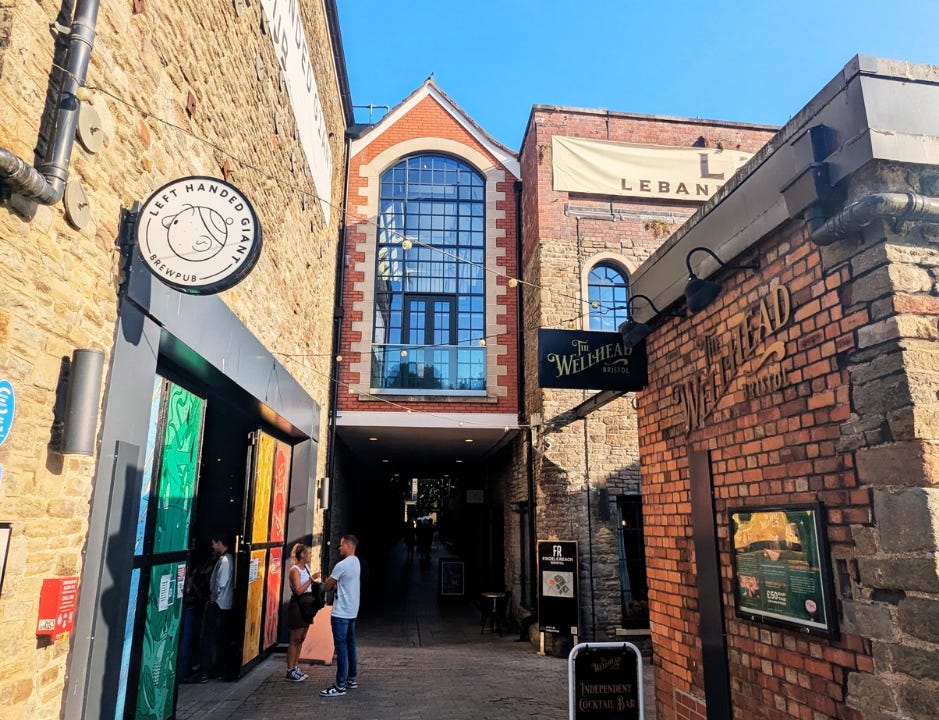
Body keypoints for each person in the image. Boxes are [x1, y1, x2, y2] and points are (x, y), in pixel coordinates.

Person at [319, 534, 361, 698]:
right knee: (351, 644)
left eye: (342, 545)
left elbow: (327, 586)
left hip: (341, 612)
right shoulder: (356, 562)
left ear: (349, 546)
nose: (339, 548)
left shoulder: (341, 565)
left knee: (341, 647)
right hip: (352, 611)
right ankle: (352, 678)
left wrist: (326, 584)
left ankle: (340, 685)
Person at [192, 534, 233, 683]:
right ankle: (213, 668)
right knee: (216, 638)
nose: (212, 547)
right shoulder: (227, 559)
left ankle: (205, 670)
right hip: (223, 603)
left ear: (220, 543)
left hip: (218, 603)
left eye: (214, 544)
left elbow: (220, 584)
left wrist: (212, 596)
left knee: (209, 637)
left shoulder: (224, 561)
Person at [285, 542, 322, 682]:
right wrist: (311, 579)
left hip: (307, 605)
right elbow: (299, 590)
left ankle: (295, 665)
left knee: (301, 638)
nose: (310, 555)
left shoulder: (305, 568)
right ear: (302, 555)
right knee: (295, 639)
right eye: (308, 553)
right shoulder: (294, 570)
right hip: (298, 606)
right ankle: (290, 669)